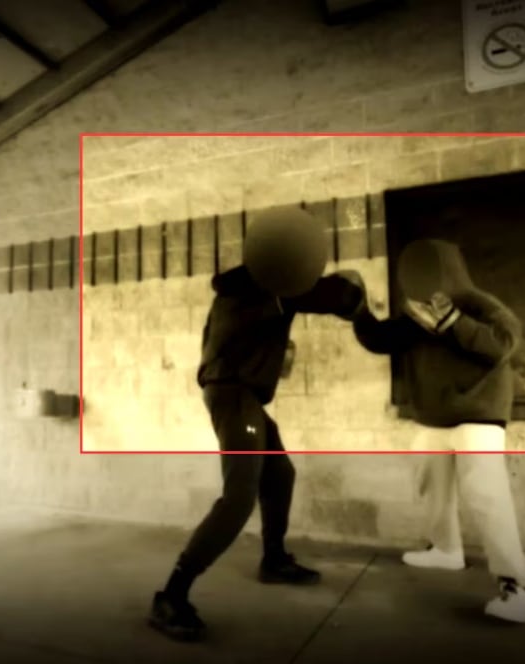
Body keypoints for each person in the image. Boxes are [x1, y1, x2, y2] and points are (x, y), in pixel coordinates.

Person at [149, 207, 367, 642]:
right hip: (233, 396)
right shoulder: (263, 293)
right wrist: (352, 289)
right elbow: (331, 298)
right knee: (238, 496)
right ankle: (171, 594)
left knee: (280, 474)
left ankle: (273, 560)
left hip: (242, 396)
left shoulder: (255, 290)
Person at [351, 238, 525, 624]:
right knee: (430, 484)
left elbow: (503, 344)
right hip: (433, 419)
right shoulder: (417, 316)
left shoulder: (482, 305)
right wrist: (357, 308)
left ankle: (517, 587)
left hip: (480, 416)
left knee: (487, 495)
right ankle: (446, 550)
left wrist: (454, 322)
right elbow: (381, 339)